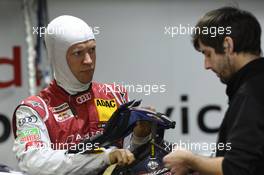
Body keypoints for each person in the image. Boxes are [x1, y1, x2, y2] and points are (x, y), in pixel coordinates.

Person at [12, 15, 151, 175]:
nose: (88, 60)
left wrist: (141, 137)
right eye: (78, 53)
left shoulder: (114, 95)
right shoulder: (34, 109)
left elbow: (130, 158)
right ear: (58, 58)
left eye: (92, 50)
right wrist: (103, 157)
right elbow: (33, 162)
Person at [163, 6, 264, 175]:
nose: (206, 65)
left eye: (207, 54)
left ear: (227, 45)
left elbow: (236, 168)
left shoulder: (251, 94)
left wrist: (190, 159)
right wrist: (195, 165)